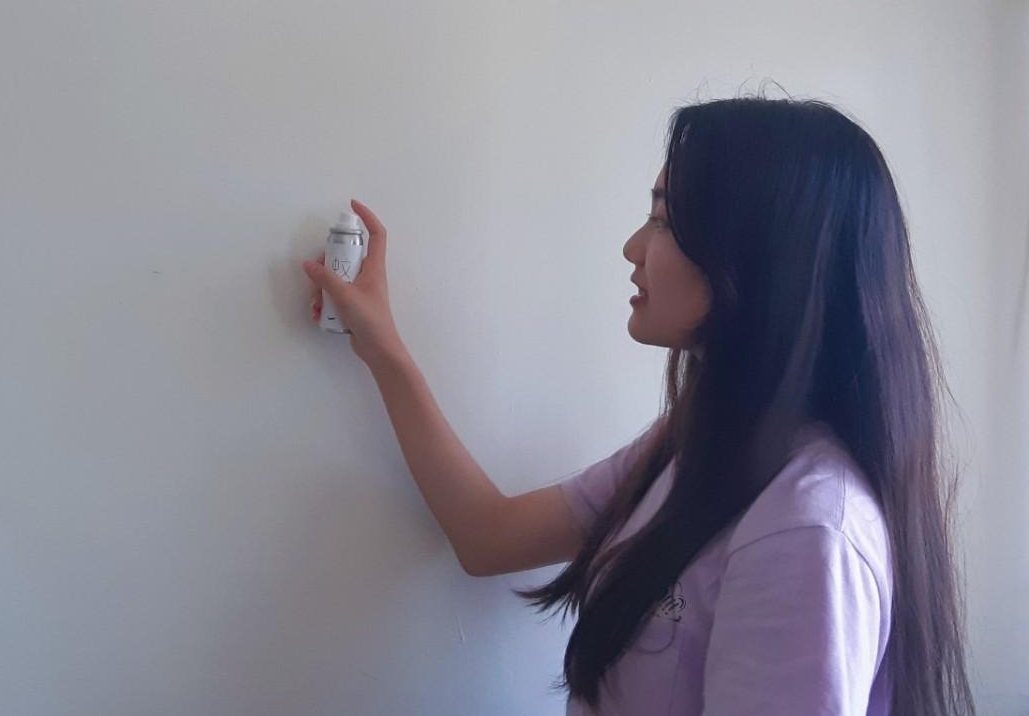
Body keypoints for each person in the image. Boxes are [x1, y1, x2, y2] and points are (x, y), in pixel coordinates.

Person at [301, 95, 974, 716]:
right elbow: (488, 535)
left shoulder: (806, 530)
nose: (632, 249)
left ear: (758, 258)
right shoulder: (697, 447)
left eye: (663, 221)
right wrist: (383, 349)